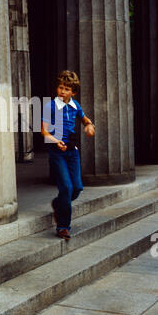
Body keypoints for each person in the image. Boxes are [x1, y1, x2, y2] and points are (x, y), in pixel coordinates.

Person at [41, 70, 95, 240]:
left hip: (72, 152)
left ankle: (58, 204)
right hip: (57, 152)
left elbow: (84, 119)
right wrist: (55, 140)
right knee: (66, 187)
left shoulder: (75, 106)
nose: (62, 91)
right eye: (60, 87)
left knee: (77, 188)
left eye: (66, 89)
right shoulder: (49, 106)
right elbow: (43, 131)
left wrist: (89, 125)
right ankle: (63, 226)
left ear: (73, 92)